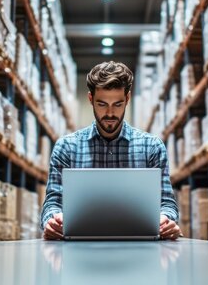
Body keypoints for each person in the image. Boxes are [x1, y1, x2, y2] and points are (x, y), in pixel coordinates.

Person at [41, 61, 181, 240]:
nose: (109, 113)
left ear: (127, 99)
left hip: (140, 249)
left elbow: (167, 202)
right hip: (80, 248)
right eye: (101, 104)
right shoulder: (66, 147)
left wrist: (165, 220)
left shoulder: (152, 147)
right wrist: (53, 220)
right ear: (90, 99)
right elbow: (52, 202)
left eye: (117, 104)